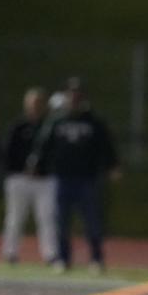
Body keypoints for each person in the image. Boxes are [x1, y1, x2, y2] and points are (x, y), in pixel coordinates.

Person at [31, 77, 120, 271]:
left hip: (87, 178)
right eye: (71, 95)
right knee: (61, 221)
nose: (74, 99)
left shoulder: (94, 122)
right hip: (62, 178)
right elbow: (44, 145)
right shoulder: (57, 121)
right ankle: (63, 258)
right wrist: (37, 163)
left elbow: (106, 145)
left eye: (77, 95)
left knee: (92, 221)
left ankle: (96, 258)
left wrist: (112, 165)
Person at [1, 87, 58, 264]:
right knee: (15, 217)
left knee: (47, 217)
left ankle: (50, 254)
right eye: (33, 103)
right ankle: (10, 252)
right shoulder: (18, 127)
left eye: (39, 103)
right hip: (19, 178)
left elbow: (54, 153)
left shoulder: (50, 126)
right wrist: (21, 168)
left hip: (44, 180)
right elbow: (8, 153)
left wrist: (42, 168)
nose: (36, 106)